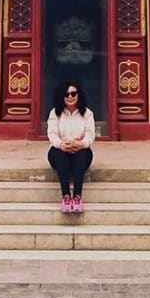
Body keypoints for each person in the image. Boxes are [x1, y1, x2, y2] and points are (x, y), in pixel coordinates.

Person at [47, 80, 95, 213]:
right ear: (61, 97)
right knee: (60, 155)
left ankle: (78, 196)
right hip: (61, 150)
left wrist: (81, 144)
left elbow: (90, 135)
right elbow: (52, 134)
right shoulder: (55, 113)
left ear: (79, 95)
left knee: (81, 155)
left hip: (80, 150)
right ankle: (66, 196)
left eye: (73, 93)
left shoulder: (87, 113)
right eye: (66, 94)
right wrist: (61, 144)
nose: (70, 97)